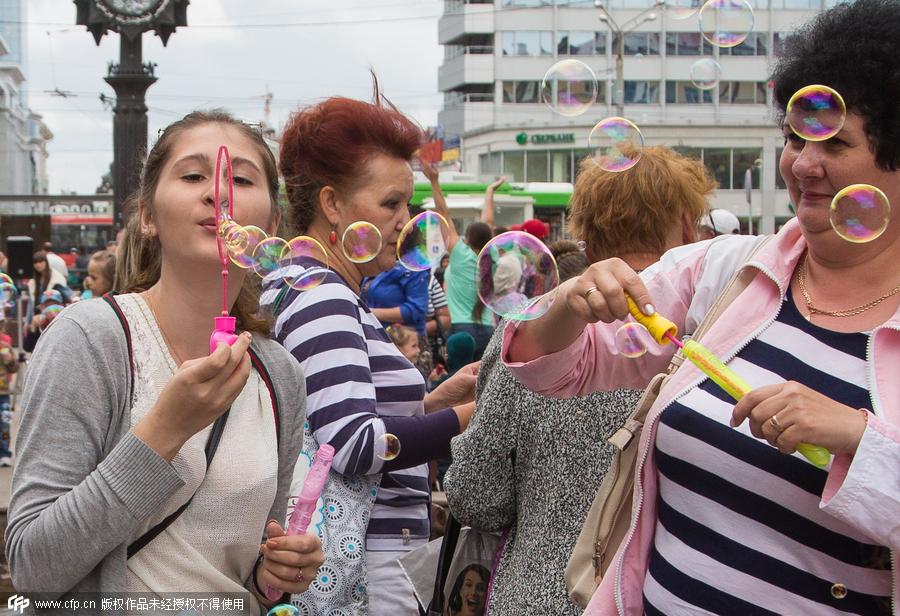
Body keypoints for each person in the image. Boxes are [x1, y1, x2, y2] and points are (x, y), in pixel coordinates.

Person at [505, 2, 898, 612]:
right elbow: (560, 366)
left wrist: (857, 438)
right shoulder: (726, 271)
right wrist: (572, 303)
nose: (803, 164)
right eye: (795, 139)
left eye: (834, 143)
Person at [6, 110, 324, 612]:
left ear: (272, 224)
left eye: (240, 179)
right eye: (193, 175)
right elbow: (33, 565)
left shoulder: (279, 373)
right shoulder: (90, 340)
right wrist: (164, 431)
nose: (217, 194)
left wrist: (277, 571)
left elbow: (253, 571)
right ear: (148, 216)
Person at [446, 146, 713, 616]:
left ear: (585, 236)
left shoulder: (532, 329)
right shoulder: (714, 334)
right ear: (690, 225)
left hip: (536, 598)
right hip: (666, 595)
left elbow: (476, 495)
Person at [262, 91, 477, 616]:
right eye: (391, 204)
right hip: (367, 560)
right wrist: (474, 414)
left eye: (407, 204)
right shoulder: (324, 296)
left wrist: (431, 405)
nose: (406, 222)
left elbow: (339, 420)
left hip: (372, 552)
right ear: (333, 204)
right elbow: (357, 447)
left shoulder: (312, 287)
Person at [433, 167, 506, 360]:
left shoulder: (459, 254)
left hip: (461, 329)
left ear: (468, 239)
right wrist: (490, 191)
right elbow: (488, 221)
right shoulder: (491, 256)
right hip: (489, 330)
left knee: (460, 385)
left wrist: (434, 181)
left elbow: (443, 212)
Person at [0, 322, 18, 467]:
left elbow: (14, 368)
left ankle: (5, 453)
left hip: (4, 393)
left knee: (5, 423)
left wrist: (10, 360)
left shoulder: (5, 345)